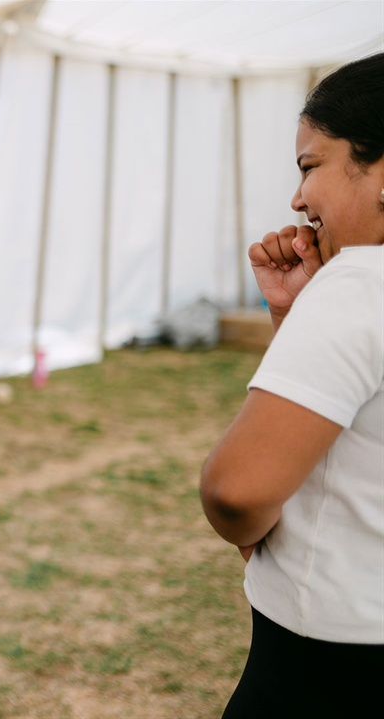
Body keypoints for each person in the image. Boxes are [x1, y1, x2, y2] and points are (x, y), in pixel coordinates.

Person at [200, 52, 384, 717]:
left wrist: (256, 532)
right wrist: (294, 318)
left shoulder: (363, 281)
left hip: (329, 665)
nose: (298, 199)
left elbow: (237, 488)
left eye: (311, 165)